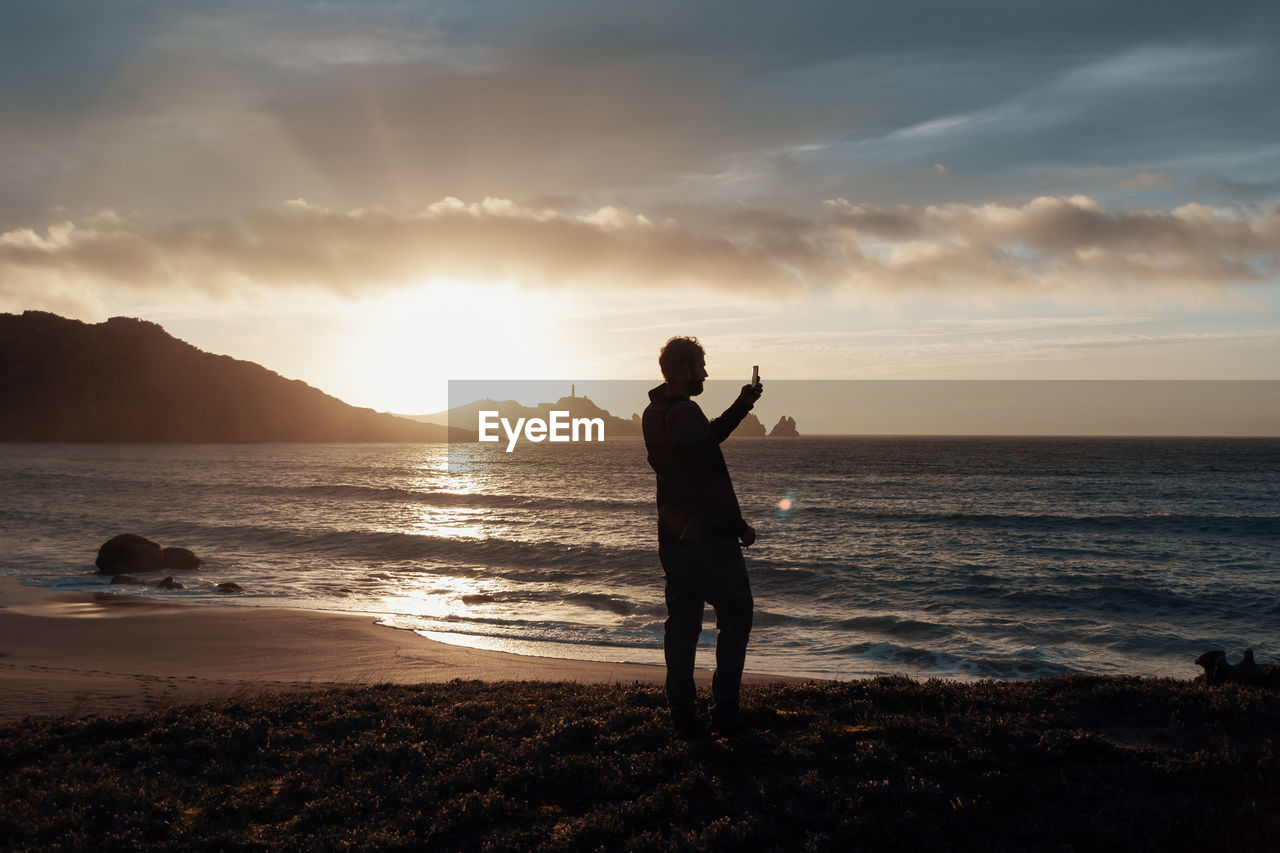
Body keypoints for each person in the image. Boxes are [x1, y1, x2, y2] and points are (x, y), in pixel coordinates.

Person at [642, 336, 762, 735]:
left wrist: (743, 405)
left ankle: (683, 714)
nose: (705, 373)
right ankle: (725, 713)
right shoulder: (686, 412)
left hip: (671, 539)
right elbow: (709, 478)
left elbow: (704, 443)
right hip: (708, 540)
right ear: (682, 370)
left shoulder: (653, 413)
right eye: (700, 366)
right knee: (736, 615)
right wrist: (738, 527)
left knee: (682, 624)